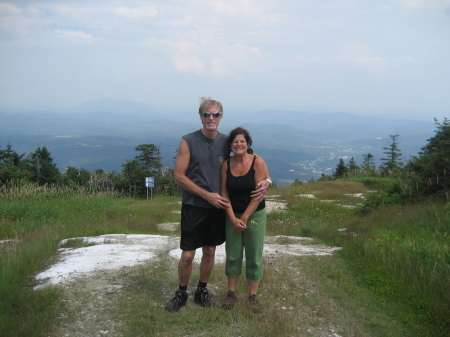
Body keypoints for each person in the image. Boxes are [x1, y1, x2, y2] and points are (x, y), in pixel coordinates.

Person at [165, 98, 271, 312]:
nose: (210, 118)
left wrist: (267, 181)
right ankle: (181, 292)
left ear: (221, 117)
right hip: (195, 205)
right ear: (200, 116)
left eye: (214, 114)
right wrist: (208, 196)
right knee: (187, 254)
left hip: (218, 207)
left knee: (211, 251)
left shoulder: (226, 141)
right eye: (206, 114)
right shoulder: (188, 141)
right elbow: (178, 176)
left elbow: (252, 161)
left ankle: (201, 290)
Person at [220, 127, 269, 313]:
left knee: (254, 255)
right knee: (233, 254)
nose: (238, 144)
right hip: (232, 214)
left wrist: (245, 217)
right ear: (230, 145)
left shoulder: (258, 162)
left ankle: (253, 296)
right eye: (235, 142)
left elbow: (258, 195)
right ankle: (231, 293)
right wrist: (232, 217)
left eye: (242, 141)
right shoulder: (226, 164)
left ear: (247, 143)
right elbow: (224, 192)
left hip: (255, 214)